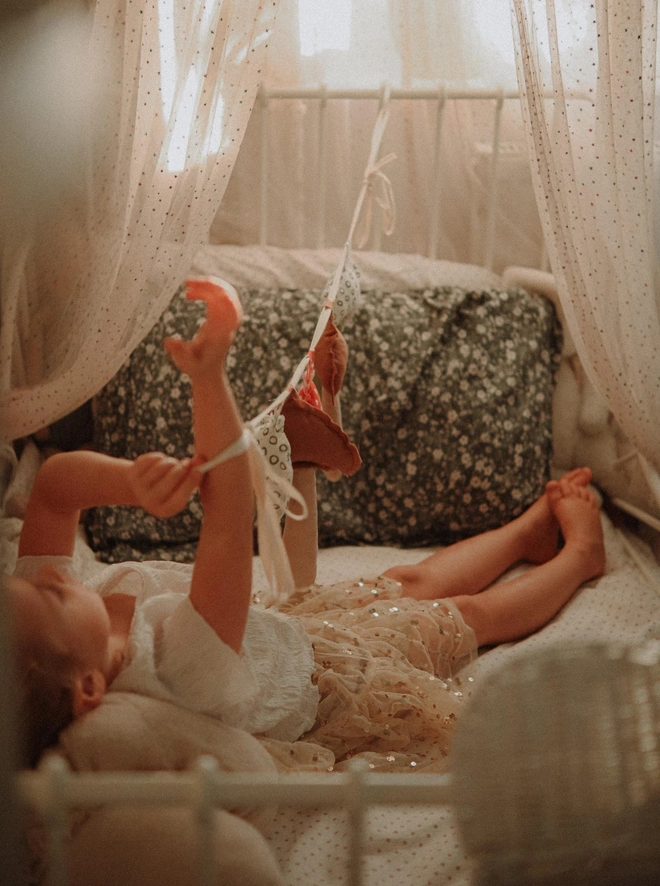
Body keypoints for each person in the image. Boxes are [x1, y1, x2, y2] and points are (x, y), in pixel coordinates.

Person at [4, 277, 606, 770]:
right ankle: (579, 558)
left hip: (287, 627)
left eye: (34, 580)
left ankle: (525, 534)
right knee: (462, 617)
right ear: (88, 689)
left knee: (408, 580)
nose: (54, 579)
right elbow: (230, 501)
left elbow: (55, 490)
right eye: (52, 596)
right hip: (330, 685)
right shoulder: (180, 667)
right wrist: (209, 379)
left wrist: (128, 483)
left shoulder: (61, 614)